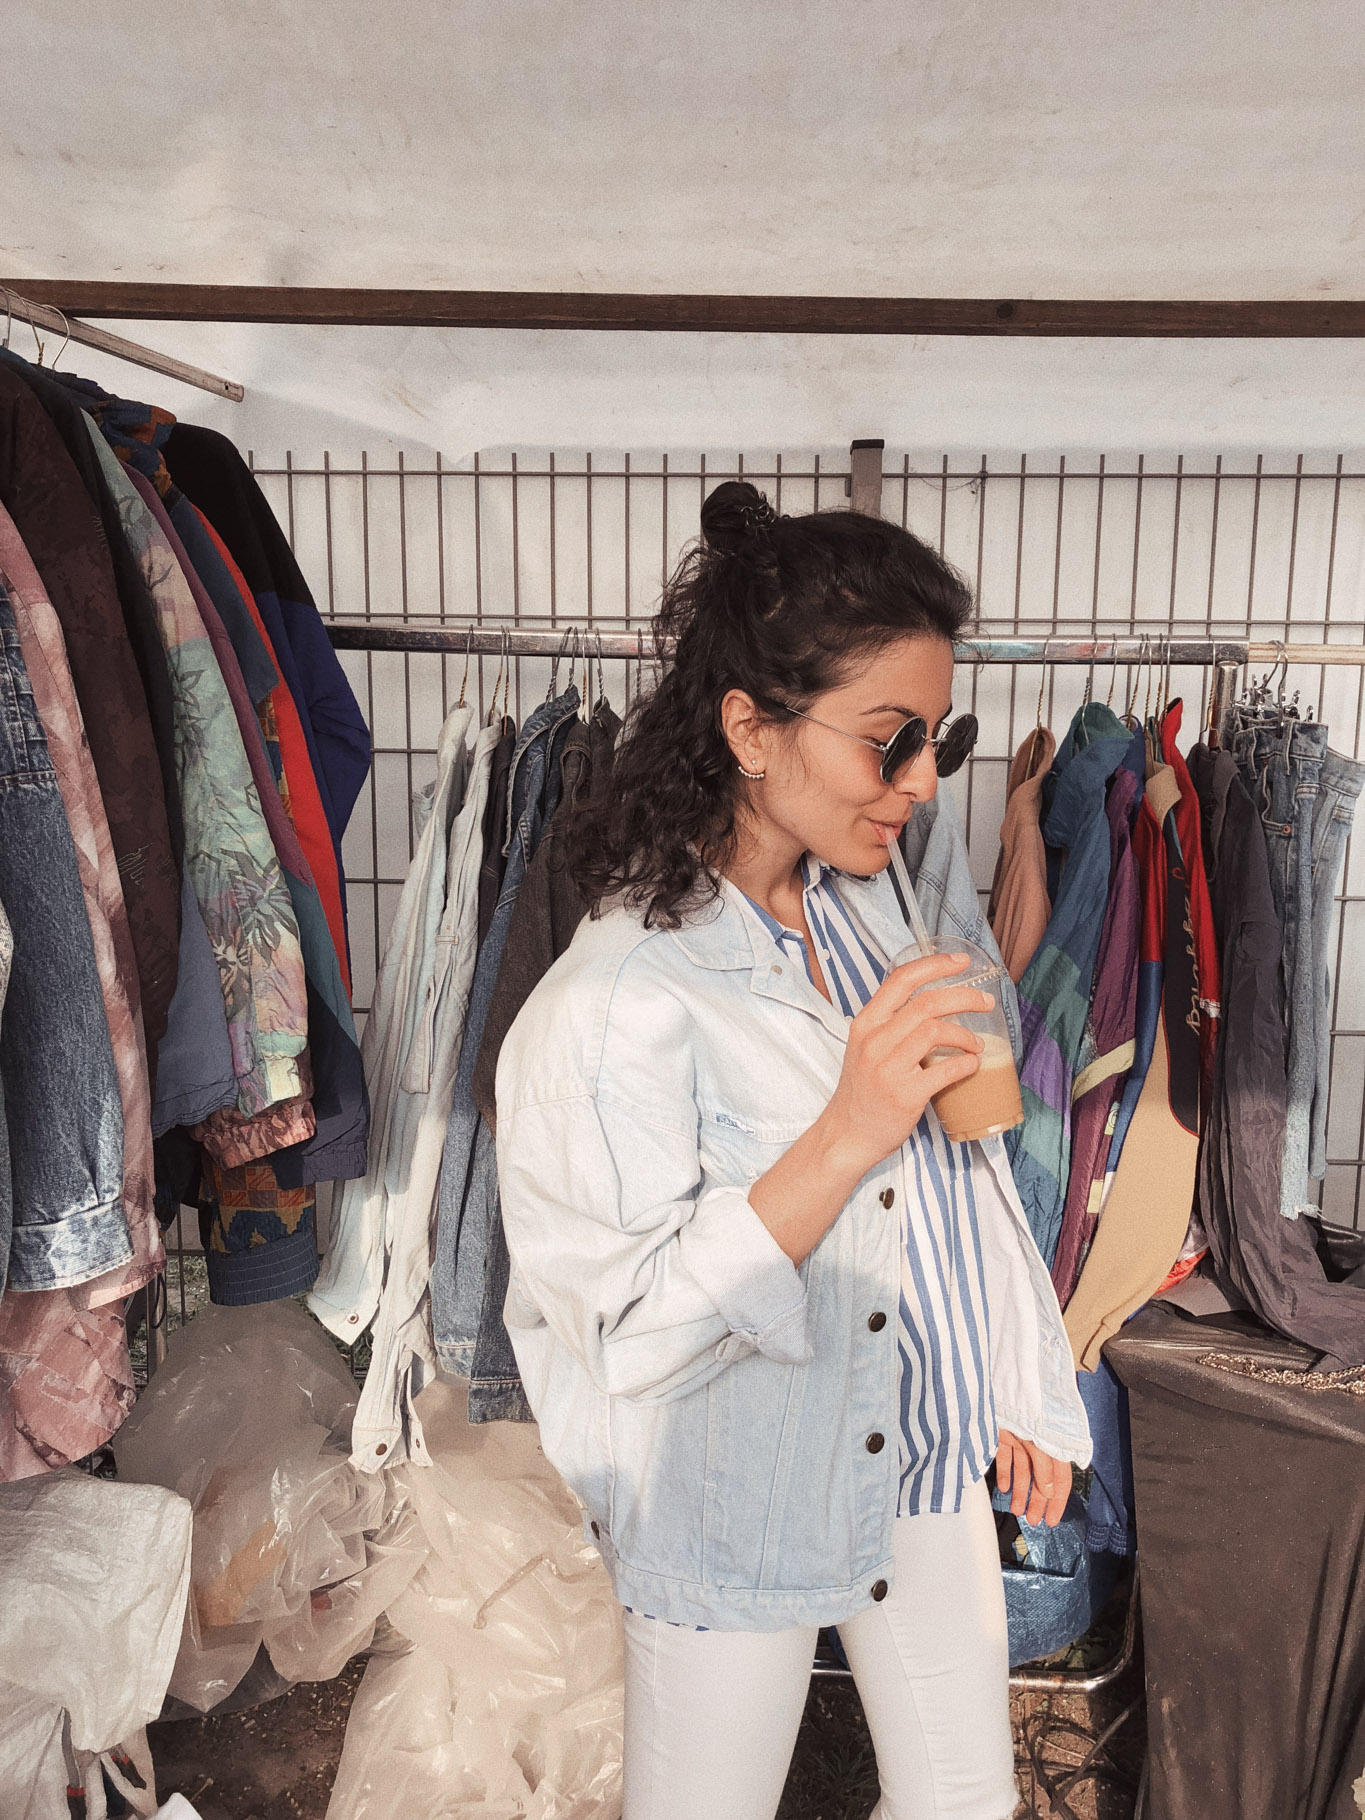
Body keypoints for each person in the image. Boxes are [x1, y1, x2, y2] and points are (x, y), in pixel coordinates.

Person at [493, 481, 1091, 1820]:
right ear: (751, 729)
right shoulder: (613, 1006)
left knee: (966, 1807)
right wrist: (845, 1128)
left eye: (937, 739)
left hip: (916, 1447)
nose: (923, 782)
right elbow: (630, 1339)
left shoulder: (865, 898)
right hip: (735, 1498)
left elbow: (951, 1190)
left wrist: (1013, 1372)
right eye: (890, 742)